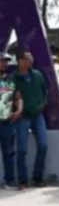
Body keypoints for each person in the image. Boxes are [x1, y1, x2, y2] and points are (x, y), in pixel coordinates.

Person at [12, 50, 48, 188]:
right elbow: (10, 98)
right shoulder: (13, 78)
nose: (31, 60)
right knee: (22, 149)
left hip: (38, 116)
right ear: (20, 61)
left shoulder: (38, 75)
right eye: (28, 58)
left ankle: (37, 177)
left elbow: (45, 92)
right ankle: (22, 179)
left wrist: (43, 104)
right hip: (22, 118)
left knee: (43, 146)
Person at [0, 55, 23, 190]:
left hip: (7, 122)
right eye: (1, 61)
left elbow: (18, 97)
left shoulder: (11, 80)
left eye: (5, 62)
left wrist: (19, 110)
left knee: (9, 152)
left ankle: (9, 181)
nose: (4, 64)